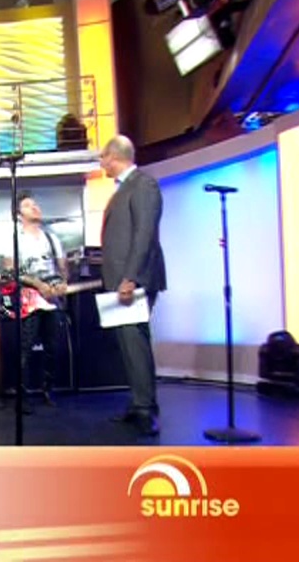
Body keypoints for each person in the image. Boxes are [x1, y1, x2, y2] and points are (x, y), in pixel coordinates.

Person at [99, 135, 167, 436]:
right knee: (128, 344)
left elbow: (144, 234)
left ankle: (146, 409)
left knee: (135, 341)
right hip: (120, 281)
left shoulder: (143, 185)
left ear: (114, 156)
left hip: (134, 280)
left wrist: (131, 277)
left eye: (103, 157)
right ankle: (139, 401)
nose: (101, 163)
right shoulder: (123, 188)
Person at [2, 192, 70, 410]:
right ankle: (22, 396)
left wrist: (62, 283)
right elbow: (9, 270)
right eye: (28, 205)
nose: (34, 207)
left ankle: (47, 390)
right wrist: (37, 284)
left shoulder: (52, 238)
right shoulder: (15, 239)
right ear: (18, 214)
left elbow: (63, 266)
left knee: (53, 347)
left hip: (52, 299)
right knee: (25, 348)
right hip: (29, 298)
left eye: (35, 204)